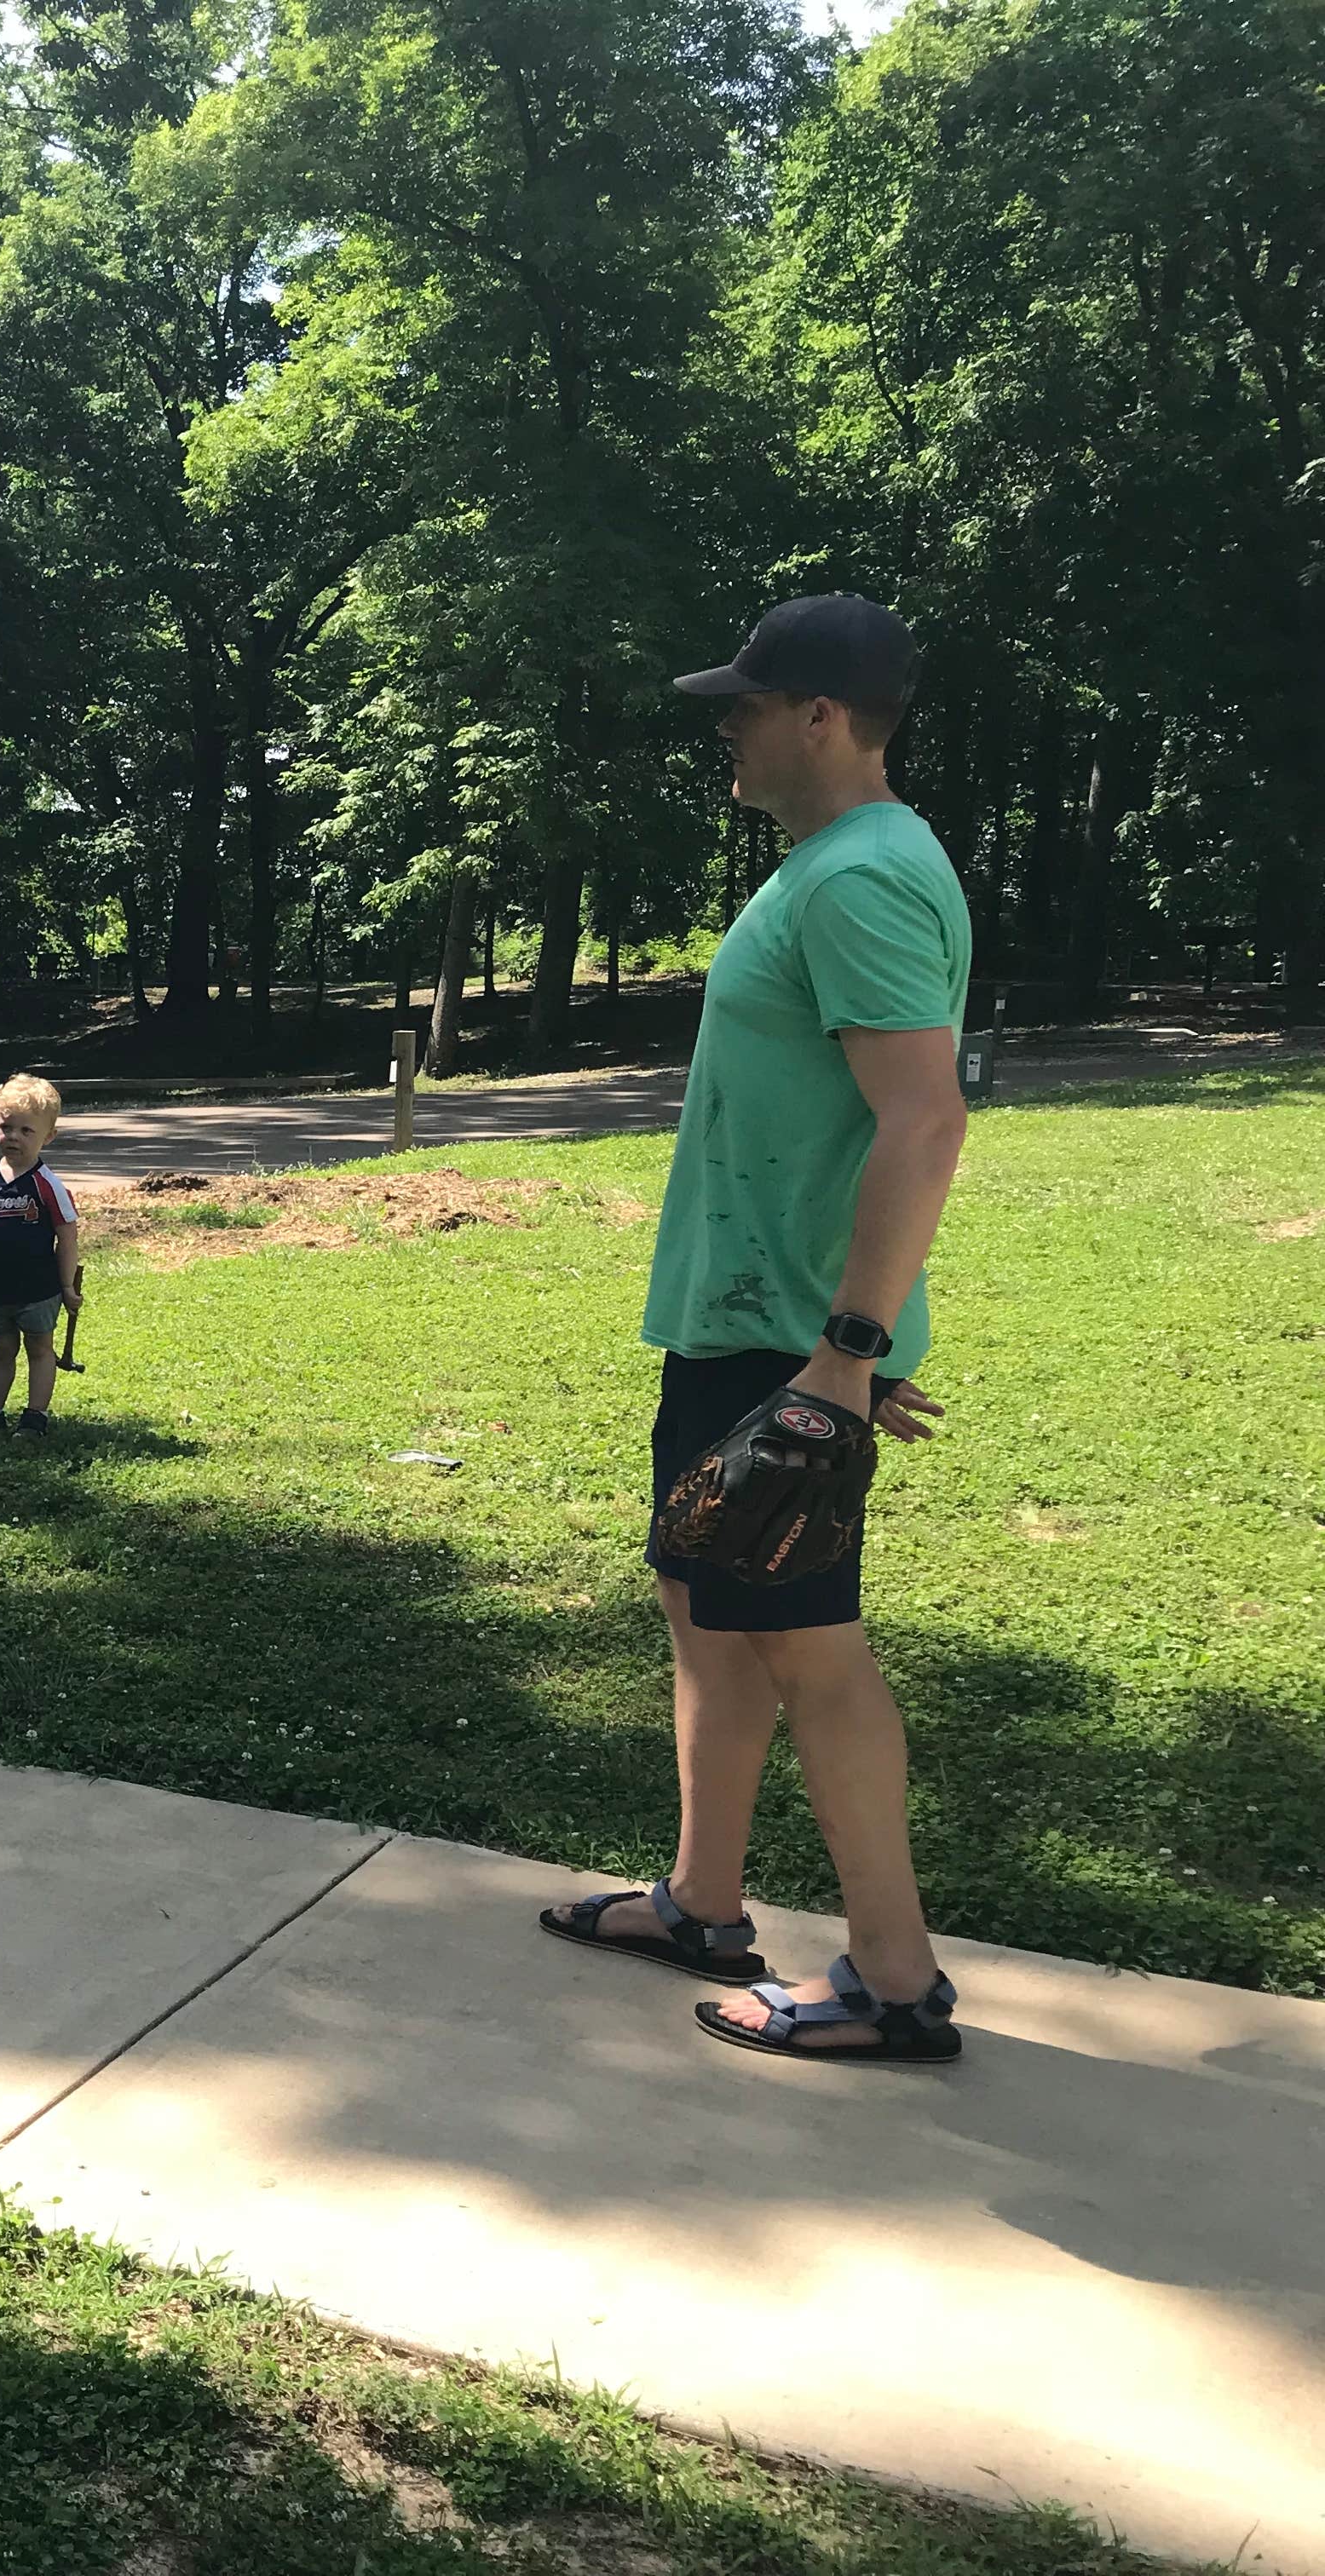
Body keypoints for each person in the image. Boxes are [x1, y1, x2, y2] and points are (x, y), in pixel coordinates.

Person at [539, 594, 974, 2064]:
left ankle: (895, 1980)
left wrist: (844, 1352)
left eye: (744, 702)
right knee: (704, 1622)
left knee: (810, 1652)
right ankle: (701, 1901)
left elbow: (924, 1118)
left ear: (821, 718)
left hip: (782, 1348)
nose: (723, 725)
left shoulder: (860, 877)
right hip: (744, 1330)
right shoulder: (824, 868)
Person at [0, 1074, 84, 1438]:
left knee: (40, 1349)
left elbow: (67, 1234)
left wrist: (66, 1285)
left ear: (48, 1137)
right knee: (1, 1349)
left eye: (26, 1131)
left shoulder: (47, 1184)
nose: (13, 1137)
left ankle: (35, 1416)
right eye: (6, 1127)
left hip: (39, 1288)